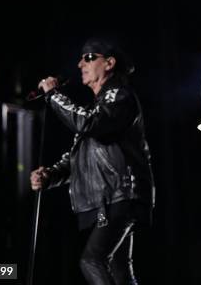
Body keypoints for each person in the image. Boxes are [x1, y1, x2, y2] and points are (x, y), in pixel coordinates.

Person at [30, 38, 154, 285]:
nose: (80, 64)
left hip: (121, 193)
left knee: (91, 260)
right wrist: (50, 175)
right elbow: (79, 158)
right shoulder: (98, 108)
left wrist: (54, 94)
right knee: (120, 271)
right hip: (112, 196)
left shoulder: (120, 96)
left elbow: (88, 124)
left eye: (88, 57)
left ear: (109, 63)